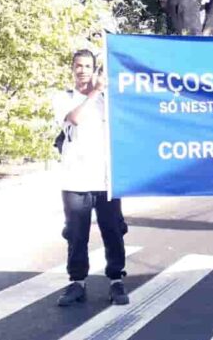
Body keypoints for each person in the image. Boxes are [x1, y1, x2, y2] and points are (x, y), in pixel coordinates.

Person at [53, 49, 130, 307]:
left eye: (88, 66)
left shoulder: (108, 101)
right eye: (78, 65)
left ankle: (116, 281)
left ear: (95, 69)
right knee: (76, 234)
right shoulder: (64, 98)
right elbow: (74, 119)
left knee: (113, 231)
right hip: (75, 180)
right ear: (72, 69)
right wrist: (95, 91)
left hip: (106, 179)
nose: (82, 70)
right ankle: (77, 283)